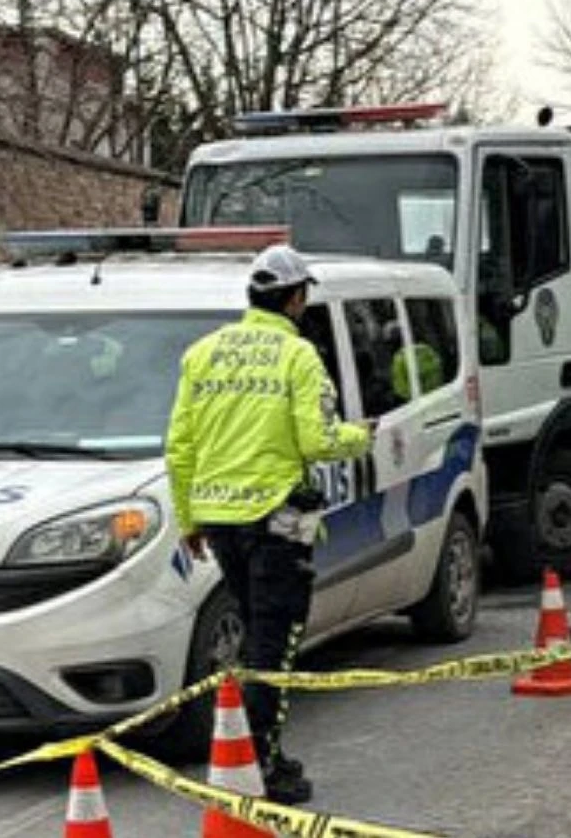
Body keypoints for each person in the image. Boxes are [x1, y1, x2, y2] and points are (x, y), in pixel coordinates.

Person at [165, 245, 374, 803]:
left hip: (218, 518)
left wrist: (189, 519)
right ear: (296, 297)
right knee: (273, 644)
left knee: (254, 631)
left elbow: (179, 447)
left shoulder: (202, 354)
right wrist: (362, 436)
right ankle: (263, 762)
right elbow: (317, 440)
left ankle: (249, 748)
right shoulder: (297, 355)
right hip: (276, 516)